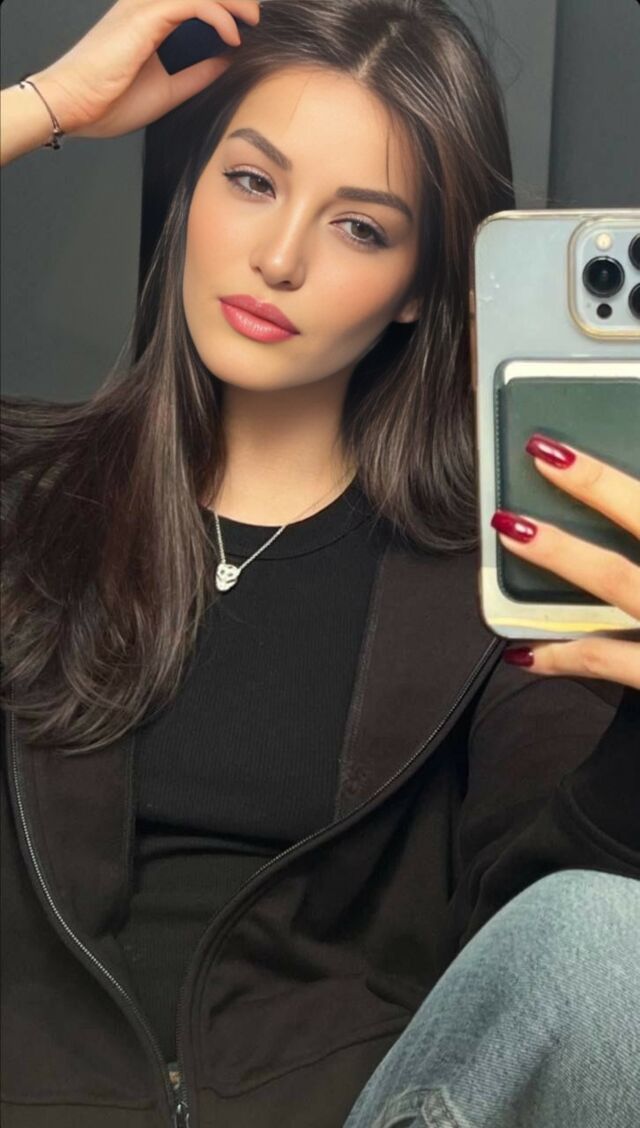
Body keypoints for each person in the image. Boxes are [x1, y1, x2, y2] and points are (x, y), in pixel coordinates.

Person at [1, 1, 639, 1126]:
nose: (279, 257)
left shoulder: (497, 588)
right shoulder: (21, 499)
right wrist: (41, 106)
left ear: (417, 289)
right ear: (192, 189)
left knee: (606, 935)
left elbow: (551, 936)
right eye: (252, 181)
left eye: (360, 228)